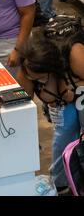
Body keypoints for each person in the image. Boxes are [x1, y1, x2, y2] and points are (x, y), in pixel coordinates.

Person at [18, 33, 84, 192]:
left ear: (50, 69)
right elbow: (22, 110)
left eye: (39, 77)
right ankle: (61, 183)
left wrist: (75, 92)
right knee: (64, 136)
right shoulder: (27, 72)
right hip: (65, 104)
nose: (31, 78)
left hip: (81, 93)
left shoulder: (75, 55)